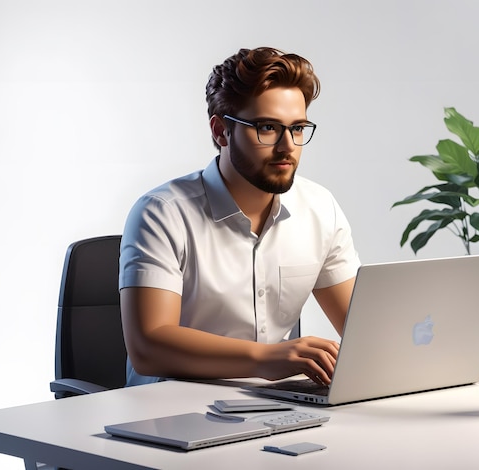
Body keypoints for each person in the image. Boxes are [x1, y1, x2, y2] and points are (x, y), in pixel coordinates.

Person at [119, 47, 360, 387]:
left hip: (277, 408)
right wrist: (268, 359)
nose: (287, 146)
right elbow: (148, 347)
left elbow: (363, 331)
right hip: (167, 414)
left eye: (298, 128)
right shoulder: (163, 213)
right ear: (221, 132)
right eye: (266, 128)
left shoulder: (319, 207)